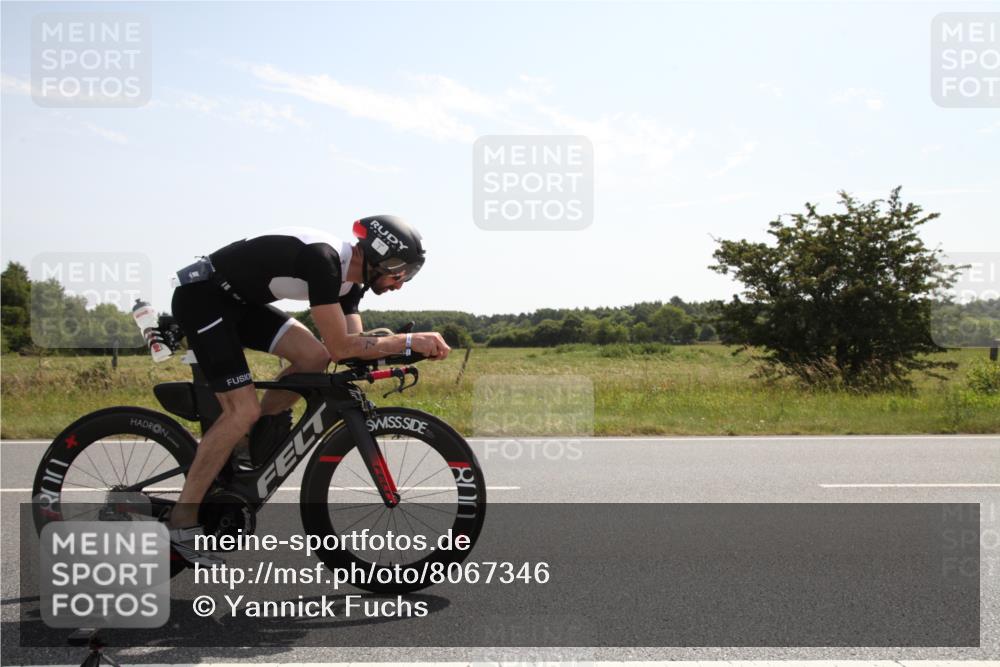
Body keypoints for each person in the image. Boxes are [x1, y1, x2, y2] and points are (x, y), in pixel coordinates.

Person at [167, 215, 450, 564]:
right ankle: (181, 522)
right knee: (241, 410)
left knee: (313, 356)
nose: (400, 283)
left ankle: (252, 443)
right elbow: (344, 346)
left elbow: (344, 349)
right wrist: (409, 340)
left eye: (408, 274)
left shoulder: (350, 284)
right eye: (399, 271)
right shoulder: (324, 261)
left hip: (239, 304)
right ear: (380, 256)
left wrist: (400, 349)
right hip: (203, 299)